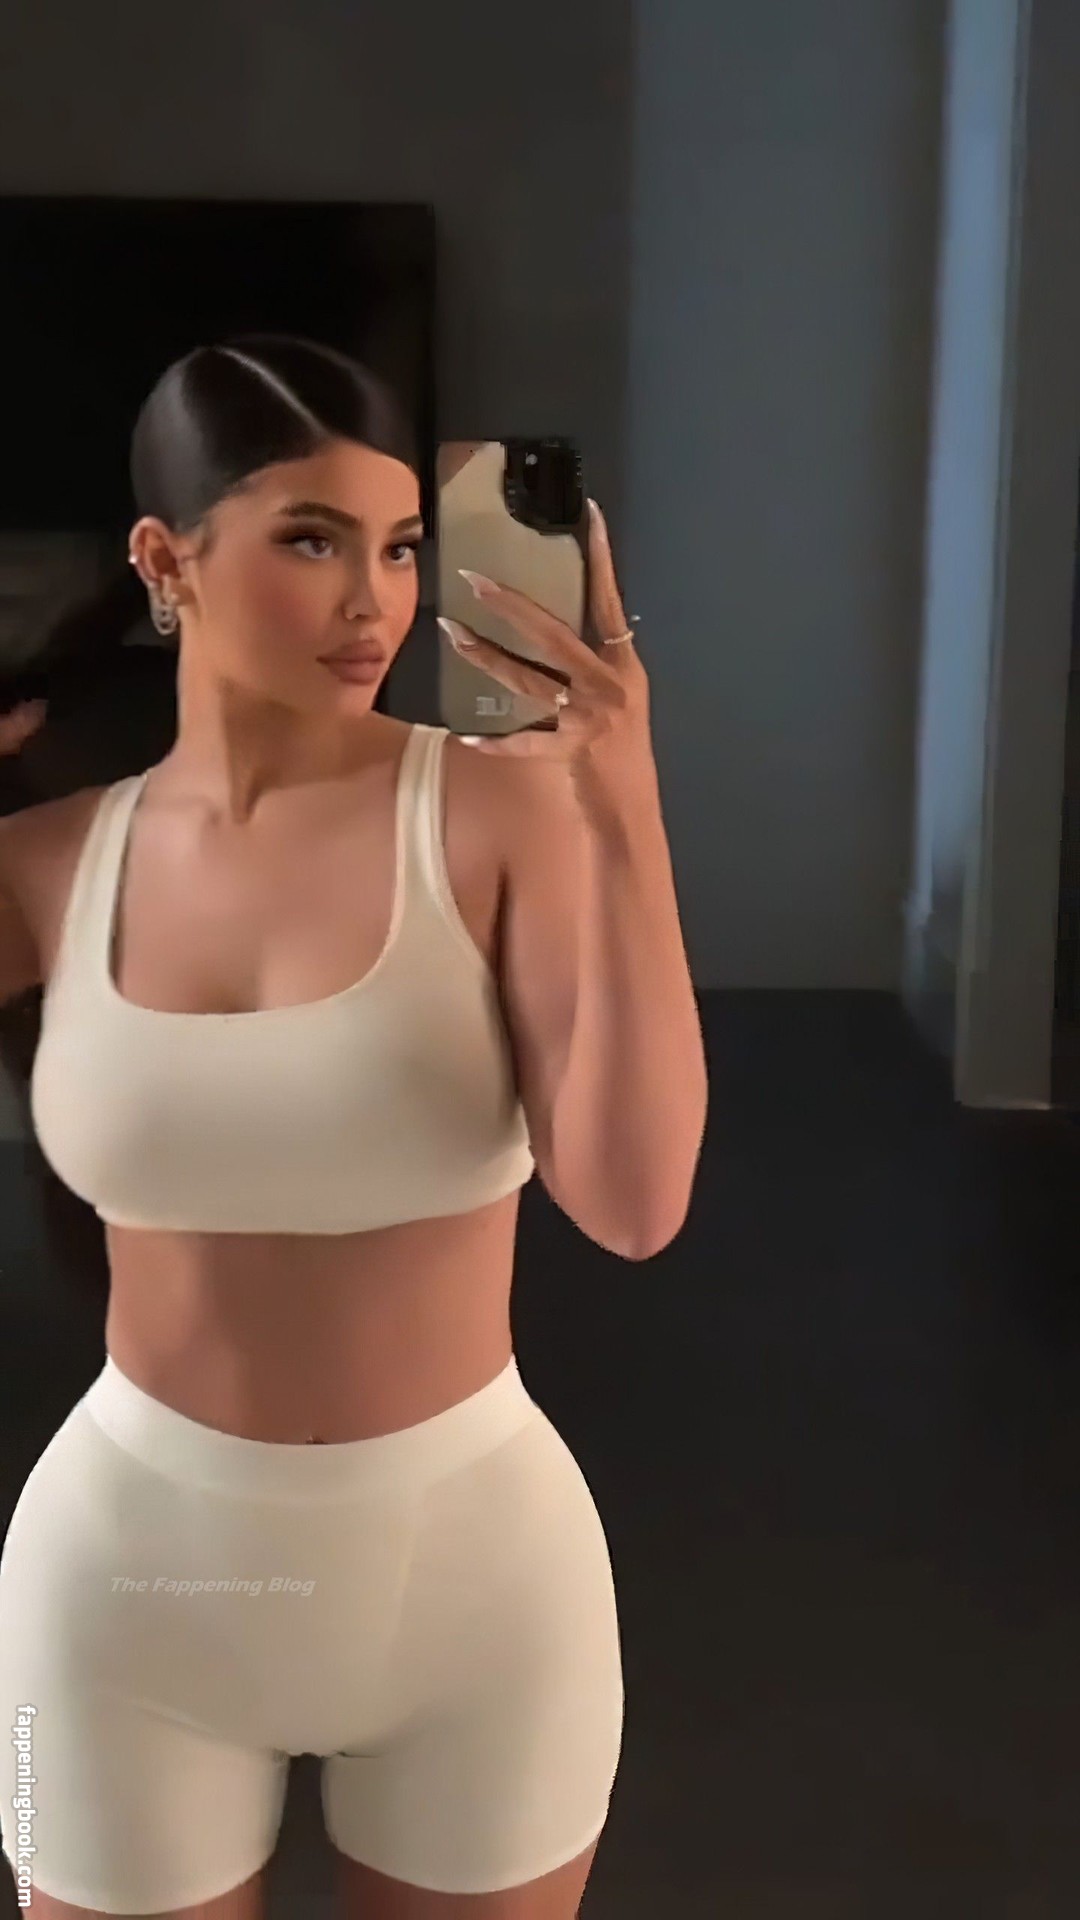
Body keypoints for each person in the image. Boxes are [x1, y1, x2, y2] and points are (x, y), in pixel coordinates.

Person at [0, 333, 708, 1919]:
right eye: (313, 542)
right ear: (166, 561)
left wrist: (625, 806)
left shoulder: (502, 813)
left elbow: (637, 1200)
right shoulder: (49, 862)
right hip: (115, 1592)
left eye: (399, 548)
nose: (374, 603)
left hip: (477, 1589)